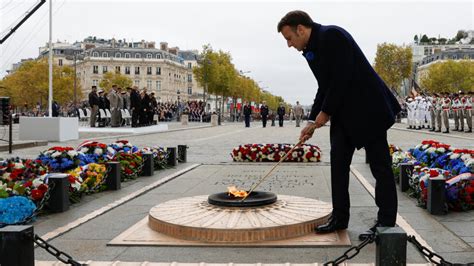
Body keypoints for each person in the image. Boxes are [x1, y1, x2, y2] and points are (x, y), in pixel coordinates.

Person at [278, 10, 401, 239]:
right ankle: (339, 217)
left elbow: (342, 77)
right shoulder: (311, 49)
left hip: (368, 109)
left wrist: (324, 114)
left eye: (289, 38)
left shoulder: (332, 36)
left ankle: (386, 222)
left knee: (380, 167)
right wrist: (311, 121)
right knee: (338, 165)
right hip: (345, 114)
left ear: (301, 29)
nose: (289, 44)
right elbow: (323, 86)